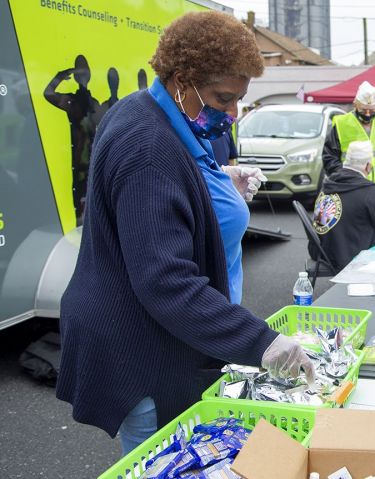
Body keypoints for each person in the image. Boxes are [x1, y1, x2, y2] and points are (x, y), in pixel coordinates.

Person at [56, 11, 313, 456]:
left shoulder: (151, 113)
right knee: (165, 457)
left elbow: (166, 195)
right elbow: (165, 281)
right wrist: (262, 342)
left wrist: (214, 183)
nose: (232, 113)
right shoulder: (148, 145)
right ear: (181, 80)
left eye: (239, 101)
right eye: (223, 98)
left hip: (158, 335)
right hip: (145, 350)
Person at [312, 140, 375, 270]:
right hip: (354, 257)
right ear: (368, 166)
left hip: (323, 253)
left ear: (346, 162)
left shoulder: (328, 185)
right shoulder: (370, 192)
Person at [44, 54, 101, 224]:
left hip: (92, 161)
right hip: (81, 161)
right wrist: (60, 76)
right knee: (81, 209)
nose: (83, 75)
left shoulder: (93, 102)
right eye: (80, 71)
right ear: (75, 75)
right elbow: (48, 93)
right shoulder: (72, 101)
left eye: (85, 71)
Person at [322, 81, 375, 202]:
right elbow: (329, 156)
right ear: (355, 105)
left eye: (371, 111)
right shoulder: (342, 123)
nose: (367, 114)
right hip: (352, 186)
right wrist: (342, 176)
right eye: (363, 110)